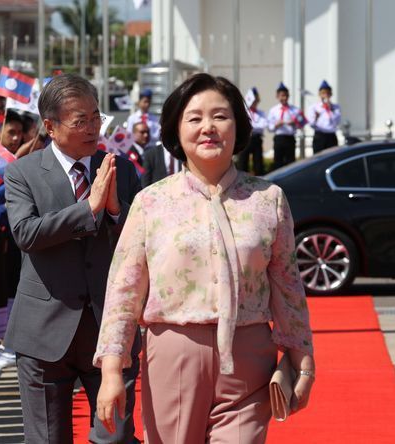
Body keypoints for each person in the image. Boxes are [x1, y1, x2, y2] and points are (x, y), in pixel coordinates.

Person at [94, 73, 316, 444]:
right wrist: (112, 370)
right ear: (176, 130)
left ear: (238, 126)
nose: (208, 127)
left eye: (220, 116)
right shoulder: (152, 202)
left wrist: (303, 363)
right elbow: (124, 289)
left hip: (249, 359)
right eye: (194, 118)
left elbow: (288, 287)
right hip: (174, 354)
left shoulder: (268, 199)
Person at [4, 73, 142, 443]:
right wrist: (89, 208)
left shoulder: (120, 168)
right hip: (44, 330)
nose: (93, 128)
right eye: (80, 121)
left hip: (109, 328)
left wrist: (115, 211)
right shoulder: (23, 173)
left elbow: (145, 238)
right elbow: (26, 234)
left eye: (96, 118)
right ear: (50, 126)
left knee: (116, 435)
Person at [268, 82, 304, 170]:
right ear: (277, 96)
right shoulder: (273, 110)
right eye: (282, 95)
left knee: (290, 162)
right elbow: (269, 127)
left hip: (290, 138)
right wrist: (277, 125)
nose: (284, 98)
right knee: (278, 161)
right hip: (279, 138)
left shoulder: (294, 110)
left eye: (286, 95)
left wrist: (294, 123)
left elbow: (301, 123)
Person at [236, 87, 267, 175]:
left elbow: (263, 125)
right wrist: (253, 126)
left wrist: (251, 126)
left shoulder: (261, 113)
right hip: (245, 138)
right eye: (253, 100)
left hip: (256, 138)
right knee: (243, 162)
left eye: (256, 100)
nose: (254, 103)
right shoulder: (244, 112)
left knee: (258, 163)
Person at [307, 80, 341, 153]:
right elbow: (311, 124)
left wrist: (331, 108)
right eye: (323, 93)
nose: (326, 95)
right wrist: (316, 117)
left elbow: (337, 121)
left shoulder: (335, 107)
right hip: (320, 135)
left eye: (328, 93)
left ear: (331, 94)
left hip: (331, 135)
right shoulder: (314, 107)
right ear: (320, 94)